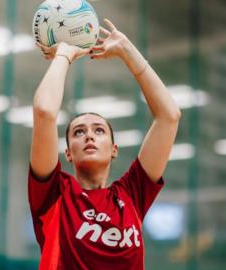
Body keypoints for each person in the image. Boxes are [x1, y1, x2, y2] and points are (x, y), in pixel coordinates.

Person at [28, 19, 181, 270]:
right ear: (67, 153)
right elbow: (44, 111)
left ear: (113, 150)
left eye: (99, 130)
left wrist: (126, 50)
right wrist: (64, 53)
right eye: (79, 132)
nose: (89, 136)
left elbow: (169, 116)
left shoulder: (131, 194)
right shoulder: (53, 195)